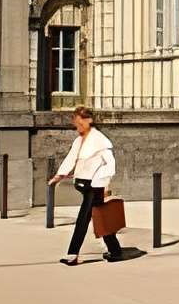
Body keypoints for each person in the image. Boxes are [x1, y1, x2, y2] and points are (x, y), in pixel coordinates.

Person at [51, 105, 128, 265]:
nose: (77, 127)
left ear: (89, 120)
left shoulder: (100, 140)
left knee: (83, 219)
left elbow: (110, 164)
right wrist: (59, 176)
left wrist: (102, 183)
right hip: (84, 184)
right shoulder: (79, 140)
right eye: (76, 124)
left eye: (80, 123)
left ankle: (72, 254)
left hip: (94, 186)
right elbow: (71, 158)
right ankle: (115, 251)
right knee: (101, 217)